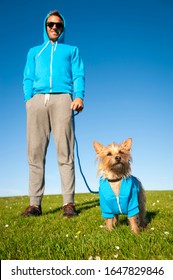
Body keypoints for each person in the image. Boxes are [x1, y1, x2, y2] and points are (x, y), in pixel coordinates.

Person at [22, 10, 85, 218]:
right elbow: (27, 78)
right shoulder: (34, 52)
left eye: (58, 25)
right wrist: (29, 100)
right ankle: (34, 205)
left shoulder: (71, 50)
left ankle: (68, 203)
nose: (54, 28)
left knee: (65, 153)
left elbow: (78, 74)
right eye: (50, 24)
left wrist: (78, 96)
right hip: (37, 101)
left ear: (63, 28)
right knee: (35, 154)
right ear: (45, 26)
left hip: (63, 100)